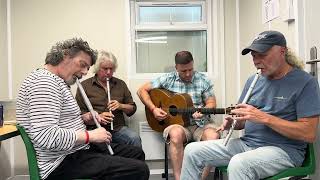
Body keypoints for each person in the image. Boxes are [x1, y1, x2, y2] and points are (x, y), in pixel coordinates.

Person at [180, 30, 320, 180]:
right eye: (254, 56)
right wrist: (236, 121)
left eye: (263, 55)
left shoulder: (305, 82)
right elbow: (243, 121)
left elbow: (308, 133)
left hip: (283, 151)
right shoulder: (253, 80)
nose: (257, 61)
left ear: (282, 51)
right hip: (248, 144)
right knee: (192, 150)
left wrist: (264, 118)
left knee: (239, 164)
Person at [16, 38, 149, 180]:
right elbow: (46, 136)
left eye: (87, 67)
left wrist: (86, 118)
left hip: (77, 149)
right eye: (82, 64)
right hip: (61, 161)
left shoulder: (57, 81)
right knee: (139, 170)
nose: (85, 72)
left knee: (136, 153)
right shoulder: (44, 83)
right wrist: (90, 136)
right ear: (65, 56)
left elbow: (61, 121)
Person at [137, 50, 220, 180]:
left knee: (213, 137)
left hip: (201, 124)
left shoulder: (203, 80)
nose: (188, 74)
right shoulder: (168, 79)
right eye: (183, 71)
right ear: (176, 68)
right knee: (175, 135)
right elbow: (141, 90)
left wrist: (203, 110)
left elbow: (211, 103)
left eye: (190, 69)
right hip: (178, 124)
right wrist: (153, 109)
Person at [75, 50, 142, 148]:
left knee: (134, 138)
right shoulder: (84, 86)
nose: (109, 72)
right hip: (95, 129)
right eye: (105, 69)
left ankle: (137, 164)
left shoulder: (121, 84)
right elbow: (79, 115)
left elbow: (132, 109)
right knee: (99, 150)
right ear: (97, 68)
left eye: (111, 69)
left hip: (118, 129)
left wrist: (121, 106)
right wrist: (98, 117)